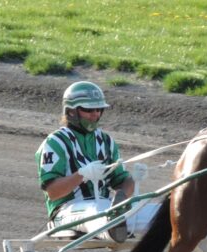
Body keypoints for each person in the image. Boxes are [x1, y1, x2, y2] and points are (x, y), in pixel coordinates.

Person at [35, 81, 135, 242]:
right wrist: (81, 174)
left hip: (106, 207)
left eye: (99, 109)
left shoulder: (107, 141)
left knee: (159, 213)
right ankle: (115, 228)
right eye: (88, 110)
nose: (95, 114)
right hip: (66, 213)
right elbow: (53, 192)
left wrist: (125, 192)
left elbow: (122, 180)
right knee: (100, 211)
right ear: (71, 111)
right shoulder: (54, 143)